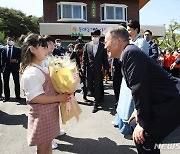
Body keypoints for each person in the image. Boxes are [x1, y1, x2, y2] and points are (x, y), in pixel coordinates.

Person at [104, 26, 180, 154]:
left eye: (106, 41)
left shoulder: (130, 52)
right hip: (161, 100)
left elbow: (139, 89)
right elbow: (141, 86)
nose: (105, 46)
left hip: (171, 100)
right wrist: (136, 111)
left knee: (145, 137)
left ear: (118, 41)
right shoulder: (127, 54)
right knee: (134, 125)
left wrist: (143, 124)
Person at [20, 33, 70, 154]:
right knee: (43, 148)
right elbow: (35, 98)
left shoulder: (39, 67)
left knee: (48, 145)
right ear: (32, 49)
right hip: (41, 116)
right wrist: (58, 98)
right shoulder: (31, 72)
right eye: (42, 47)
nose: (46, 49)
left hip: (48, 114)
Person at [113, 20, 149, 136]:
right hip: (126, 75)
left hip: (134, 76)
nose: (128, 32)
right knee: (123, 101)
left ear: (136, 30)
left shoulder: (141, 42)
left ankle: (129, 126)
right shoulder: (131, 41)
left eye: (129, 29)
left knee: (130, 102)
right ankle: (120, 122)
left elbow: (141, 62)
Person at [41, 35, 67, 149]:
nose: (53, 45)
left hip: (54, 90)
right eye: (50, 43)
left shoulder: (50, 55)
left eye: (53, 43)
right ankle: (48, 139)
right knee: (46, 116)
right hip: (45, 92)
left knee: (54, 113)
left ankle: (55, 131)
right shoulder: (41, 58)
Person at [82, 29, 109, 113]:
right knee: (89, 86)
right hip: (89, 70)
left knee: (97, 86)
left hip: (98, 70)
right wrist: (83, 67)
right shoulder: (87, 45)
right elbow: (84, 58)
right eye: (93, 36)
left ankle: (96, 103)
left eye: (96, 36)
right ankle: (97, 96)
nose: (94, 38)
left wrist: (106, 68)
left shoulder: (102, 46)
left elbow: (105, 58)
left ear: (99, 37)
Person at [1, 36, 21, 102]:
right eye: (9, 40)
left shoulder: (18, 49)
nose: (10, 41)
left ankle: (17, 96)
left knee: (16, 82)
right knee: (6, 82)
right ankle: (7, 97)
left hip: (15, 67)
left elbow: (21, 58)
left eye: (12, 40)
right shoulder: (3, 49)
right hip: (6, 67)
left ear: (14, 41)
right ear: (6, 41)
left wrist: (16, 61)